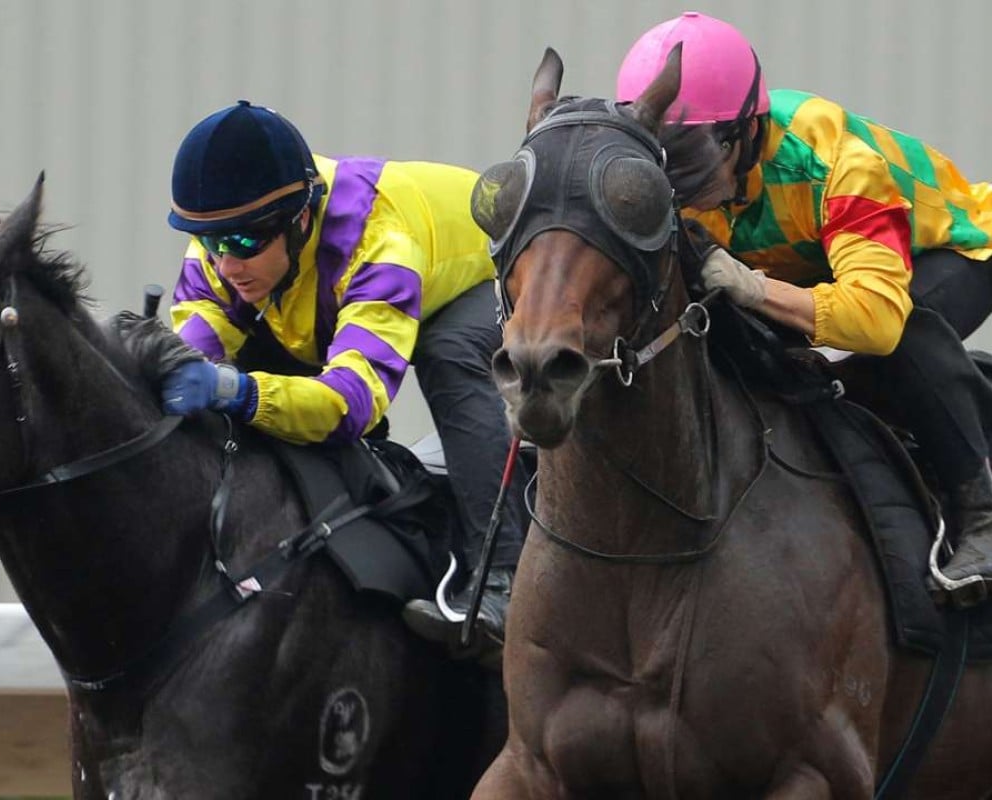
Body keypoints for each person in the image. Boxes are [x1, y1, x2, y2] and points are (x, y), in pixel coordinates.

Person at [617, 11, 992, 605]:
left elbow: (875, 318)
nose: (687, 195)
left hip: (946, 252)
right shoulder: (686, 177)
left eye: (695, 163)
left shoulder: (839, 165)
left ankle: (982, 516)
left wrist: (754, 290)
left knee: (905, 338)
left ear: (746, 130)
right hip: (818, 265)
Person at [161, 99, 527, 645]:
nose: (226, 265)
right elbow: (195, 356)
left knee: (446, 352)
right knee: (250, 367)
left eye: (243, 242)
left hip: (491, 268)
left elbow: (349, 404)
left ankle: (502, 579)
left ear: (300, 219)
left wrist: (238, 390)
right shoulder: (224, 243)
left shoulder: (378, 242)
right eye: (211, 242)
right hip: (347, 278)